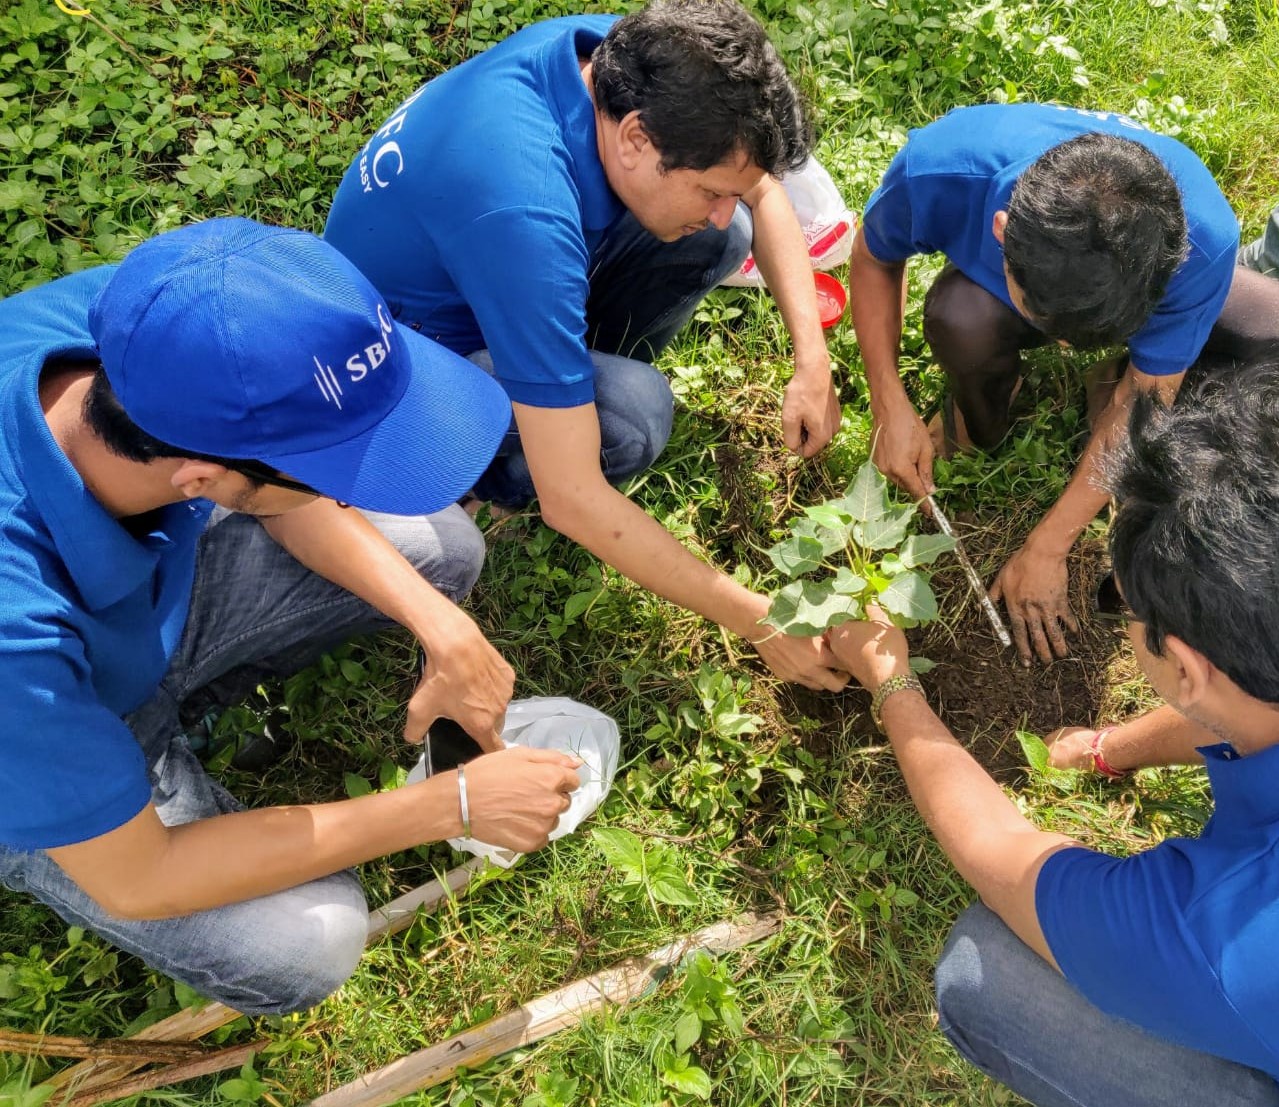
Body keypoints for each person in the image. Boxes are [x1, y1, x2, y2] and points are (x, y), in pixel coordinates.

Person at [0, 217, 583, 1015]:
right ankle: (106, 774)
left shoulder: (157, 322)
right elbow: (141, 877)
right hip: (28, 742)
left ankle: (165, 706)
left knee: (438, 550)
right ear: (199, 478)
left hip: (114, 630)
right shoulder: (16, 637)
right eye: (332, 472)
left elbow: (275, 486)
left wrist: (443, 627)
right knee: (307, 942)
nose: (348, 491)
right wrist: (451, 805)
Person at [323, 0, 849, 694]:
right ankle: (480, 485)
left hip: (487, 281)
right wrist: (761, 620)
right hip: (393, 379)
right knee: (632, 414)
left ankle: (557, 381)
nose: (725, 204)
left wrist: (811, 361)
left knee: (722, 238)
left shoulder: (625, 60)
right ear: (634, 140)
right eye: (710, 189)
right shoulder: (523, 214)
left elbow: (761, 190)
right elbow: (571, 497)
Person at [828, 363, 1279, 1106]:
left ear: (1186, 666)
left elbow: (1001, 854)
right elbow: (1241, 705)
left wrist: (890, 680)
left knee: (984, 969)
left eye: (1116, 600)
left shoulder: (1215, 930)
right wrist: (1106, 750)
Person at [849, 102, 1279, 665]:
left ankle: (1111, 375)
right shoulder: (942, 169)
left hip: (1151, 278)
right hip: (1008, 276)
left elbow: (1147, 397)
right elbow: (874, 259)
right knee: (962, 320)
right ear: (1001, 233)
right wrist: (888, 401)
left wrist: (1049, 546)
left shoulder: (1200, 238)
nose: (1068, 350)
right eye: (1056, 330)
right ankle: (982, 412)